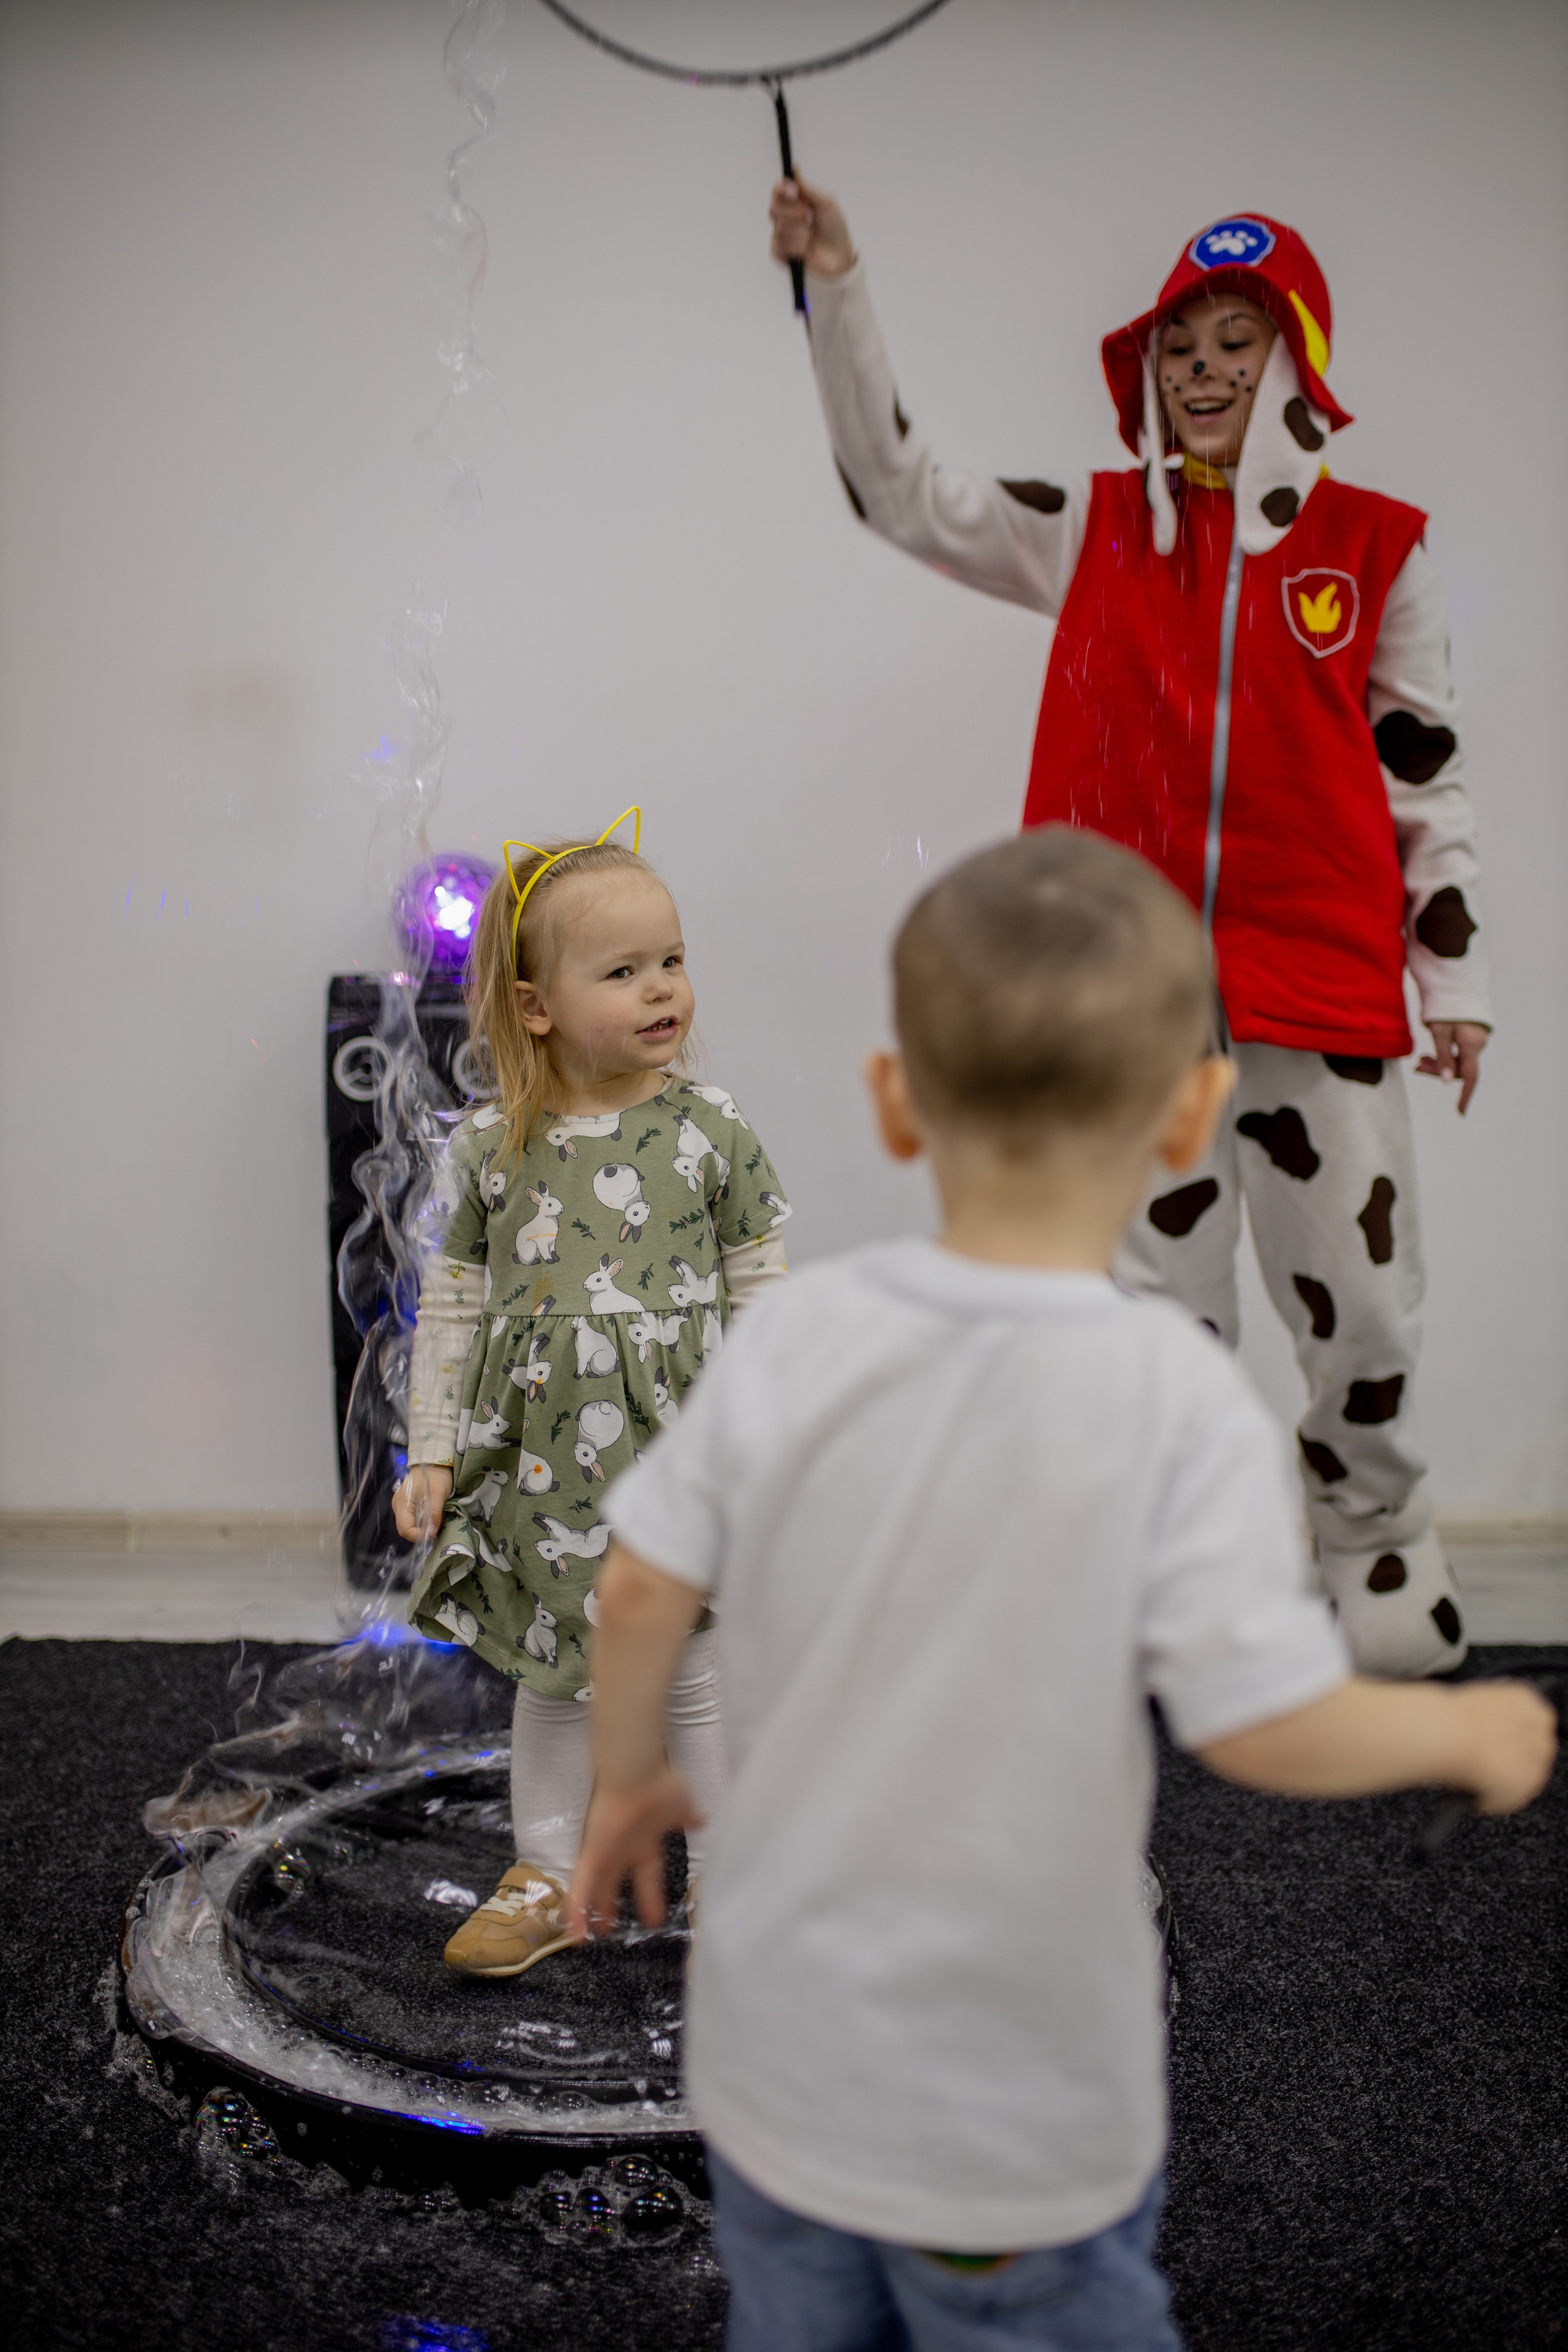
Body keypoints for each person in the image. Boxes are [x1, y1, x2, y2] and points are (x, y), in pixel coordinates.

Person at [567, 829, 1553, 2352]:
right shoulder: (1171, 1394)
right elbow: (1257, 1725)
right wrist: (1459, 1737)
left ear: (894, 1103)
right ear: (1190, 1117)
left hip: (773, 2079)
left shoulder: (796, 1337)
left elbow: (638, 1590)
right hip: (1009, 2122)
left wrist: (627, 1778)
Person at [766, 182, 1491, 1679]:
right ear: (1146, 373)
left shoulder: (1373, 548)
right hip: (1126, 1002)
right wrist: (837, 288)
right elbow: (899, 491)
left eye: (1239, 341)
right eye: (1181, 347)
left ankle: (1371, 1543)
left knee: (1357, 1303)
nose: (1208, 370)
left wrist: (1454, 980)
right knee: (1147, 1323)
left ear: (1293, 362)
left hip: (1320, 985)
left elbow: (1424, 770)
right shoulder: (1091, 529)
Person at [391, 815, 791, 1975]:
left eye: (672, 960)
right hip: (539, 1472)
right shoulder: (491, 1148)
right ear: (537, 1008)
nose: (665, 990)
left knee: (696, 1671)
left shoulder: (711, 1132)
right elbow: (454, 1307)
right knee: (552, 1680)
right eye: (624, 971)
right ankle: (546, 1872)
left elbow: (763, 1288)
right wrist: (431, 1451)